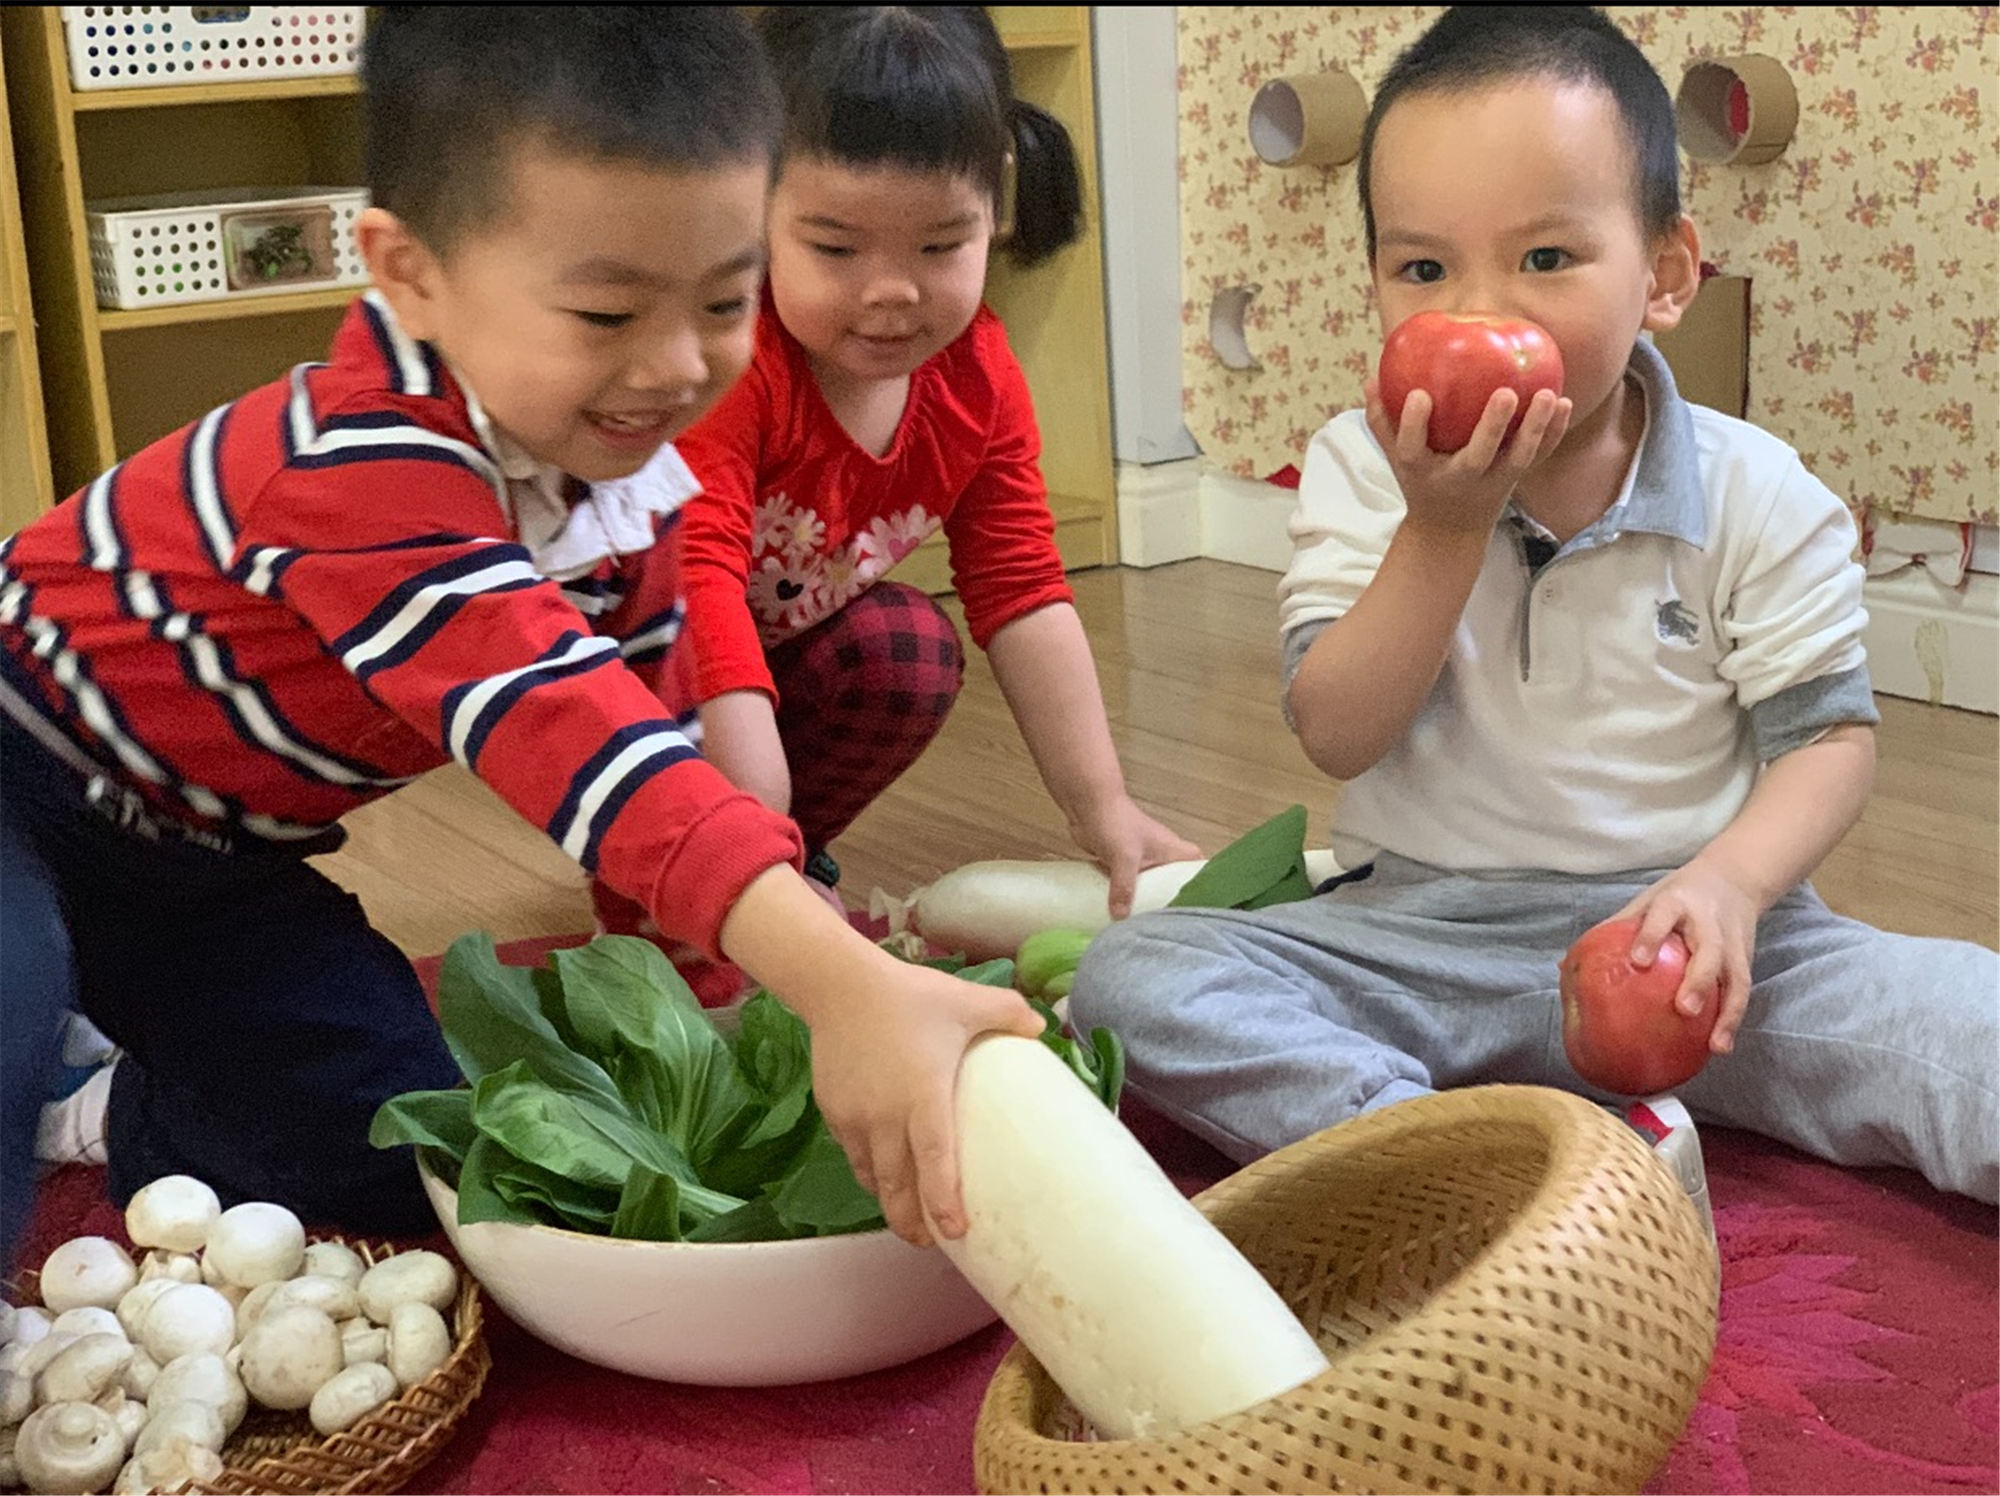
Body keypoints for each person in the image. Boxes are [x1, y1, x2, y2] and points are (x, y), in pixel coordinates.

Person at [0, 6, 1044, 1273]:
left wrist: (723, 990)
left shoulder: (624, 483)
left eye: (724, 302)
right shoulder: (364, 462)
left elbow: (658, 756)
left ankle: (115, 1090)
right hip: (20, 772)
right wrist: (838, 979)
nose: (672, 369)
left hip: (209, 861)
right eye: (606, 315)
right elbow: (567, 735)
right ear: (409, 272)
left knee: (414, 1140)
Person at [1070, 5, 1997, 1205]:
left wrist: (1727, 885)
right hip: (1424, 941)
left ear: (1664, 276)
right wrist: (1440, 526)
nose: (1478, 313)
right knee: (1136, 979)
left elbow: (1825, 741)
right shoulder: (1362, 466)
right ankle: (1468, 1169)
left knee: (1969, 1019)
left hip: (1695, 943)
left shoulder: (1758, 490)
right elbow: (1337, 730)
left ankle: (1482, 1127)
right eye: (1423, 268)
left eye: (1544, 260)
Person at [592, 5, 1196, 949]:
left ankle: (775, 857)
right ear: (753, 214)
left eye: (940, 246)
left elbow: (1024, 588)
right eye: (835, 249)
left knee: (904, 650)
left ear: (995, 211)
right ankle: (675, 872)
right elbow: (695, 586)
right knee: (686, 757)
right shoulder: (732, 362)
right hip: (635, 661)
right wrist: (744, 829)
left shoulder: (980, 380)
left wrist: (1102, 808)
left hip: (768, 657)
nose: (892, 292)